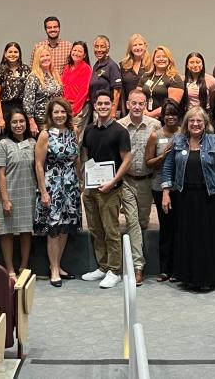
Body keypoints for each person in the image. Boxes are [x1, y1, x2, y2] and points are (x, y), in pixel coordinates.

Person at [161, 107, 215, 291]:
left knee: (208, 238)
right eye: (191, 120)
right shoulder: (177, 141)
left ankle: (208, 278)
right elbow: (168, 167)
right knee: (187, 237)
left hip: (210, 197)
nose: (195, 124)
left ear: (205, 123)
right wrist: (166, 193)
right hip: (184, 197)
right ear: (186, 123)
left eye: (199, 121)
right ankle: (188, 277)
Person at [80, 90, 132, 289]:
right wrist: (85, 179)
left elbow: (126, 160)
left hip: (111, 189)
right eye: (99, 103)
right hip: (91, 188)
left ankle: (115, 270)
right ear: (94, 106)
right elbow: (86, 155)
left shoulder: (120, 131)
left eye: (106, 103)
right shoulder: (90, 130)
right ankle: (102, 267)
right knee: (96, 229)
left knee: (111, 231)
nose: (102, 106)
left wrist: (112, 182)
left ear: (112, 106)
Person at [33, 98, 82, 286]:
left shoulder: (73, 132)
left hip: (70, 184)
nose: (59, 115)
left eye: (63, 112)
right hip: (53, 184)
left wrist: (80, 180)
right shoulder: (45, 135)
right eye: (56, 112)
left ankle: (59, 265)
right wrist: (44, 191)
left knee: (66, 226)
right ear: (50, 115)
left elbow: (76, 158)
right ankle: (53, 268)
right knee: (53, 227)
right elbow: (38, 164)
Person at [117, 89, 160, 286]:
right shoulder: (119, 127)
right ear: (127, 104)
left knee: (142, 222)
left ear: (145, 105)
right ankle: (138, 267)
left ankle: (136, 252)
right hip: (126, 180)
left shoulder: (154, 126)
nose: (136, 107)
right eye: (133, 103)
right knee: (132, 221)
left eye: (140, 104)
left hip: (146, 181)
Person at [0, 108, 36, 278]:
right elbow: (1, 174)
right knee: (7, 231)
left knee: (27, 230)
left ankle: (24, 266)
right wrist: (5, 199)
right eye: (14, 122)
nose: (19, 125)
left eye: (21, 121)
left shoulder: (33, 143)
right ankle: (10, 269)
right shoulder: (3, 145)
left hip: (29, 192)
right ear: (9, 125)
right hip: (9, 192)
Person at [145, 99, 182, 281]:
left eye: (174, 114)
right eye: (168, 114)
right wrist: (163, 156)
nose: (171, 117)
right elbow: (148, 163)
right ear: (163, 116)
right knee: (167, 228)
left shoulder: (185, 133)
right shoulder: (155, 136)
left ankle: (179, 269)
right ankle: (165, 269)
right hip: (160, 187)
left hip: (182, 188)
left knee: (181, 228)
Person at [23, 48, 64, 138]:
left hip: (56, 119)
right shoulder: (33, 77)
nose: (45, 58)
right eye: (42, 56)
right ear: (38, 59)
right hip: (42, 121)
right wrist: (31, 122)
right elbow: (28, 101)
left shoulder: (55, 74)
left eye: (47, 55)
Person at [0, 42, 30, 135]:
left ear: (19, 54)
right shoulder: (0, 70)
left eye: (15, 52)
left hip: (22, 107)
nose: (13, 54)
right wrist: (0, 118)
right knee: (4, 137)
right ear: (5, 54)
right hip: (4, 109)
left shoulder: (26, 69)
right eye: (10, 52)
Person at [139, 46, 185, 119]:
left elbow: (171, 105)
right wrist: (143, 111)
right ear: (153, 60)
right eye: (158, 57)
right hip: (144, 118)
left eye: (164, 57)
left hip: (165, 120)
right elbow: (137, 96)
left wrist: (151, 115)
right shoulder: (145, 76)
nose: (161, 59)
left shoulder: (175, 78)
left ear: (169, 59)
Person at [62, 41, 93, 135]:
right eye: (74, 50)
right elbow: (63, 87)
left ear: (84, 55)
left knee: (76, 137)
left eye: (80, 51)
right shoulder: (67, 67)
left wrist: (74, 110)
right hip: (66, 107)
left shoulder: (86, 69)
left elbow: (84, 92)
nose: (76, 53)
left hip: (79, 108)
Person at [89, 35, 123, 118]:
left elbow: (117, 92)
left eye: (102, 47)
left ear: (108, 49)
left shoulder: (112, 65)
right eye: (96, 47)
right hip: (98, 110)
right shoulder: (96, 65)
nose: (99, 50)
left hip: (109, 111)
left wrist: (113, 112)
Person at [119, 33, 151, 110]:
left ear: (145, 46)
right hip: (129, 108)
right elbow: (122, 91)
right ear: (130, 48)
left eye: (140, 44)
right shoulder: (123, 65)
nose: (138, 47)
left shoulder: (151, 63)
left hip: (148, 109)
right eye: (134, 45)